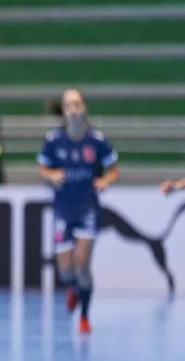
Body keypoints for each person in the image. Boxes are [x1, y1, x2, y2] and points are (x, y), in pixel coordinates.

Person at [37, 88, 119, 334]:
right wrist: (52, 175)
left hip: (87, 209)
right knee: (66, 271)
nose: (73, 109)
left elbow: (114, 170)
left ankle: (84, 315)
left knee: (82, 263)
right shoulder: (54, 141)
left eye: (77, 104)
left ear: (84, 108)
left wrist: (105, 181)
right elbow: (42, 168)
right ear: (63, 111)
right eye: (68, 105)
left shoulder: (97, 140)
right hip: (63, 209)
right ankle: (73, 289)